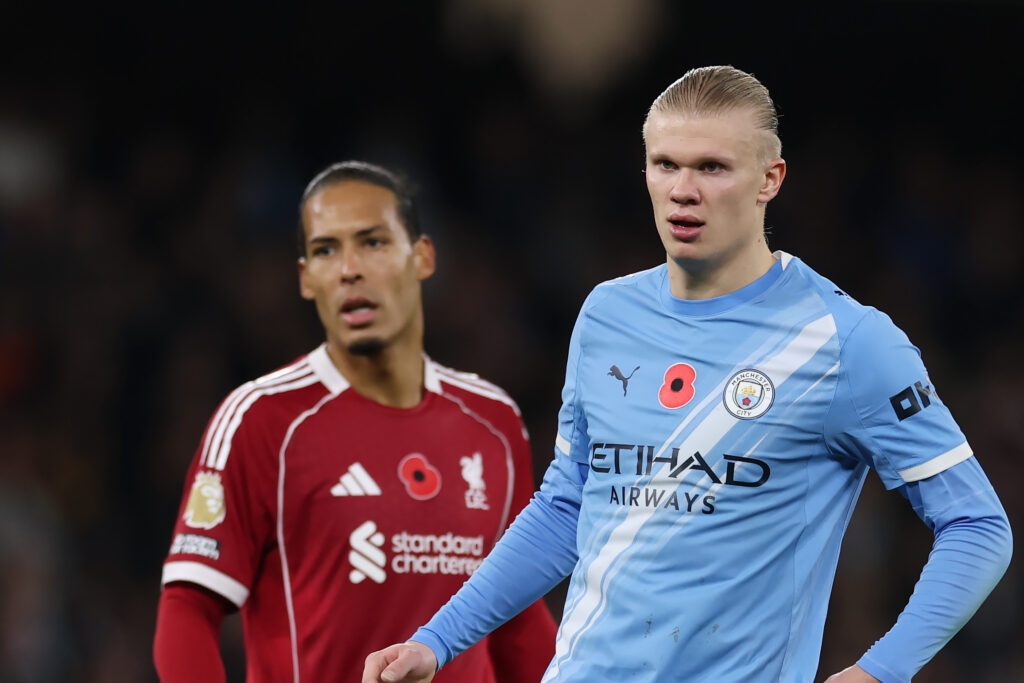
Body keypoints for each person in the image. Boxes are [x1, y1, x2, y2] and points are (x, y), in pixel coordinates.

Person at [363, 66, 1013, 683]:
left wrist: (883, 666)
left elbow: (978, 526)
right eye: (665, 164)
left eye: (712, 167)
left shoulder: (846, 341)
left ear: (770, 178)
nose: (683, 190)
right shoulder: (606, 314)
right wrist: (436, 638)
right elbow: (567, 505)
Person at [153, 160, 557, 682]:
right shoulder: (261, 420)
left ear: (423, 257)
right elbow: (188, 608)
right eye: (326, 250)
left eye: (372, 242)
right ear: (305, 278)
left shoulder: (494, 422)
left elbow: (518, 624)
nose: (349, 269)